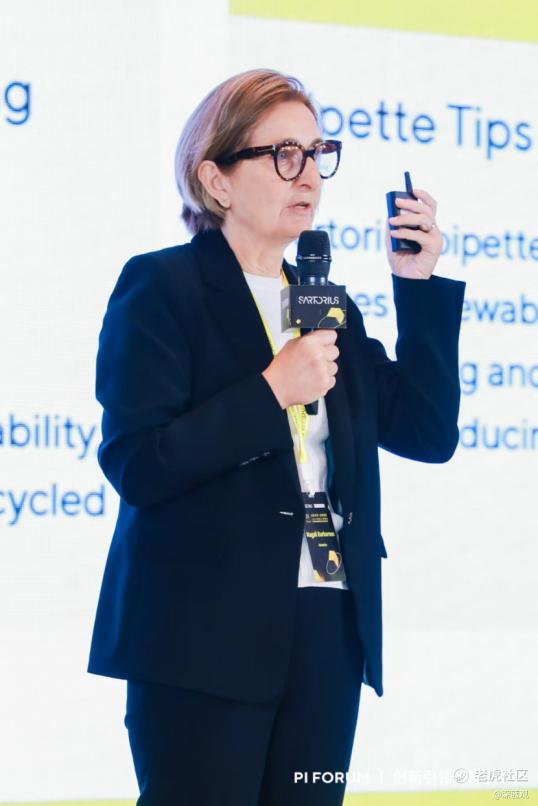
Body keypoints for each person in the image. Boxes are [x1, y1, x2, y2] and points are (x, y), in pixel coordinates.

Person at [87, 68, 465, 805]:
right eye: (284, 154)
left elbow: (426, 431)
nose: (309, 174)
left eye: (317, 152)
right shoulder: (162, 286)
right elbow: (139, 463)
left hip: (328, 620)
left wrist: (416, 285)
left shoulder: (326, 302)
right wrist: (270, 392)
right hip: (203, 633)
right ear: (216, 179)